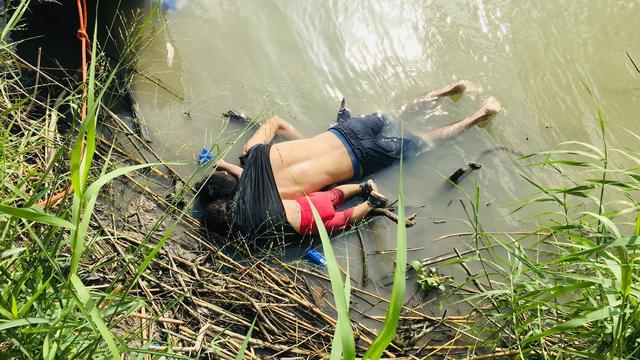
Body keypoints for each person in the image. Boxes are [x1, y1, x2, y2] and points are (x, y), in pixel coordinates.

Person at [199, 81, 502, 239]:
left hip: (362, 160)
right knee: (394, 113)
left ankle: (479, 115)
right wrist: (309, 142)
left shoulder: (278, 201)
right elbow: (277, 120)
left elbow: (324, 202)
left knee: (423, 142)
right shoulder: (252, 151)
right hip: (345, 132)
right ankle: (450, 90)